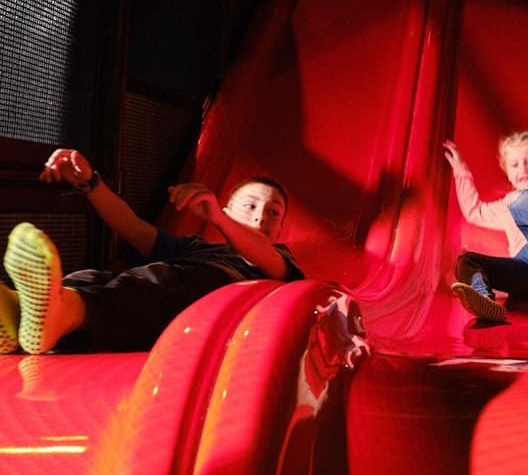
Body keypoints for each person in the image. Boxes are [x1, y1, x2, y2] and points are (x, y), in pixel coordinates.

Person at [0, 148, 303, 354]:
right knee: (95, 276)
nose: (261, 216)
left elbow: (263, 256)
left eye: (274, 213)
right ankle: (18, 309)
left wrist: (221, 220)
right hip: (150, 290)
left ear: (279, 231)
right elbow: (131, 227)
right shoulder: (195, 247)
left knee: (157, 286)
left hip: (207, 312)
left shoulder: (280, 261)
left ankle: (60, 314)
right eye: (250, 206)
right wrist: (90, 183)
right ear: (226, 209)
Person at [443, 77, 528, 322]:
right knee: (466, 262)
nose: (524, 168)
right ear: (506, 171)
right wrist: (461, 169)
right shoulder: (506, 203)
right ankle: (485, 300)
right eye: (515, 164)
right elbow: (474, 212)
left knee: (521, 201)